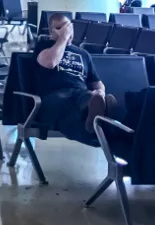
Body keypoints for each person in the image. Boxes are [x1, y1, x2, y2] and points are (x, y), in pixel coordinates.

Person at [32, 13, 119, 144]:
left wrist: (100, 93)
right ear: (51, 31)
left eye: (66, 27)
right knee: (70, 105)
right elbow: (51, 62)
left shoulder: (83, 54)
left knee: (89, 96)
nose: (64, 31)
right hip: (54, 96)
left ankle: (96, 114)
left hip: (81, 93)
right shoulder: (43, 46)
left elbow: (98, 84)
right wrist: (63, 38)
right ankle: (96, 119)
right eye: (59, 28)